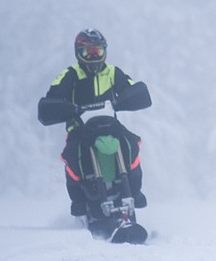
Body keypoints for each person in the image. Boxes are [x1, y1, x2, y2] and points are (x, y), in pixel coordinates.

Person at [42, 29, 151, 216]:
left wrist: (124, 99)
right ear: (78, 53)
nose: (93, 56)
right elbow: (52, 99)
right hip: (80, 128)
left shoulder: (113, 73)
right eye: (88, 52)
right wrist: (69, 108)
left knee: (131, 144)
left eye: (97, 52)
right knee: (71, 154)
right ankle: (78, 200)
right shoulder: (70, 75)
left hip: (110, 125)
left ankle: (134, 190)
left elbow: (133, 89)